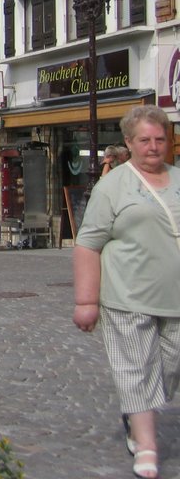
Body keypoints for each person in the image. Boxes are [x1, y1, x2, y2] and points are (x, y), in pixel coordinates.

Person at [74, 105, 180, 479]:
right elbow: (88, 243)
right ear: (129, 143)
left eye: (160, 139)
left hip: (176, 298)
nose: (153, 147)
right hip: (127, 295)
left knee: (169, 367)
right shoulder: (113, 186)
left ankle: (136, 413)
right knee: (136, 370)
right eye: (145, 140)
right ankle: (146, 443)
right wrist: (86, 301)